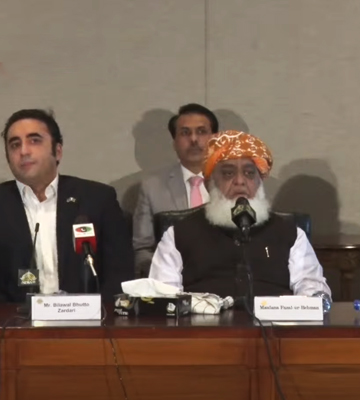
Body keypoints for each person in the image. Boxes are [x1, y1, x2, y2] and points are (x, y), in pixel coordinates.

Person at [149, 130, 331, 298]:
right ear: (209, 183)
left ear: (260, 182)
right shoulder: (179, 234)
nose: (240, 181)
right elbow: (162, 296)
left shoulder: (290, 234)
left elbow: (312, 288)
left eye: (249, 173)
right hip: (203, 330)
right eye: (228, 173)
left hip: (274, 329)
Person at [0, 109, 134, 302]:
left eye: (34, 140)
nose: (23, 151)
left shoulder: (97, 198)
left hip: (87, 323)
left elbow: (119, 271)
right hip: (13, 325)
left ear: (58, 151)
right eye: (15, 145)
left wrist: (97, 316)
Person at [132, 103, 218, 276]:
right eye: (185, 133)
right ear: (174, 142)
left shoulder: (234, 182)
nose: (194, 139)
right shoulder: (152, 187)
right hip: (170, 283)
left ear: (215, 139)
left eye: (201, 132)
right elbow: (142, 248)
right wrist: (162, 274)